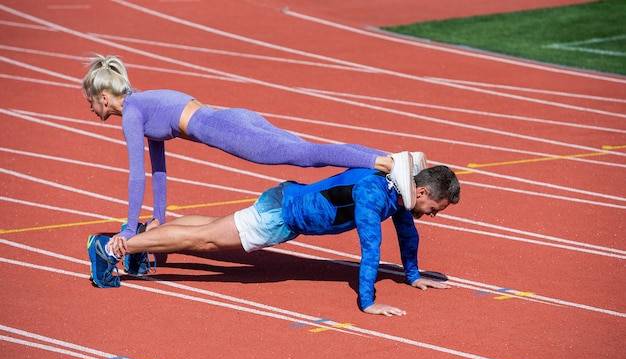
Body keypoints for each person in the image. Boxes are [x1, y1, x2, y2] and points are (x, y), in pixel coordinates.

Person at [82, 54, 417, 244]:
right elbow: (158, 169)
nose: (92, 109)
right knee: (307, 150)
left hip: (228, 130)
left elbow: (135, 176)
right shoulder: (143, 103)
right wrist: (157, 217)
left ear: (104, 97)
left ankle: (387, 161)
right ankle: (392, 159)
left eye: (91, 102)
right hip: (234, 120)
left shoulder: (131, 112)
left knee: (307, 155)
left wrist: (128, 228)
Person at [89, 161, 461, 316]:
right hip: (281, 216)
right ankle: (113, 248)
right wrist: (367, 302)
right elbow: (371, 247)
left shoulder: (395, 190)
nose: (431, 216)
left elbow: (407, 231)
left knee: (213, 226)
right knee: (205, 242)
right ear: (424, 191)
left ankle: (149, 234)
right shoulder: (374, 194)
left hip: (285, 201)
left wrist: (412, 275)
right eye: (435, 209)